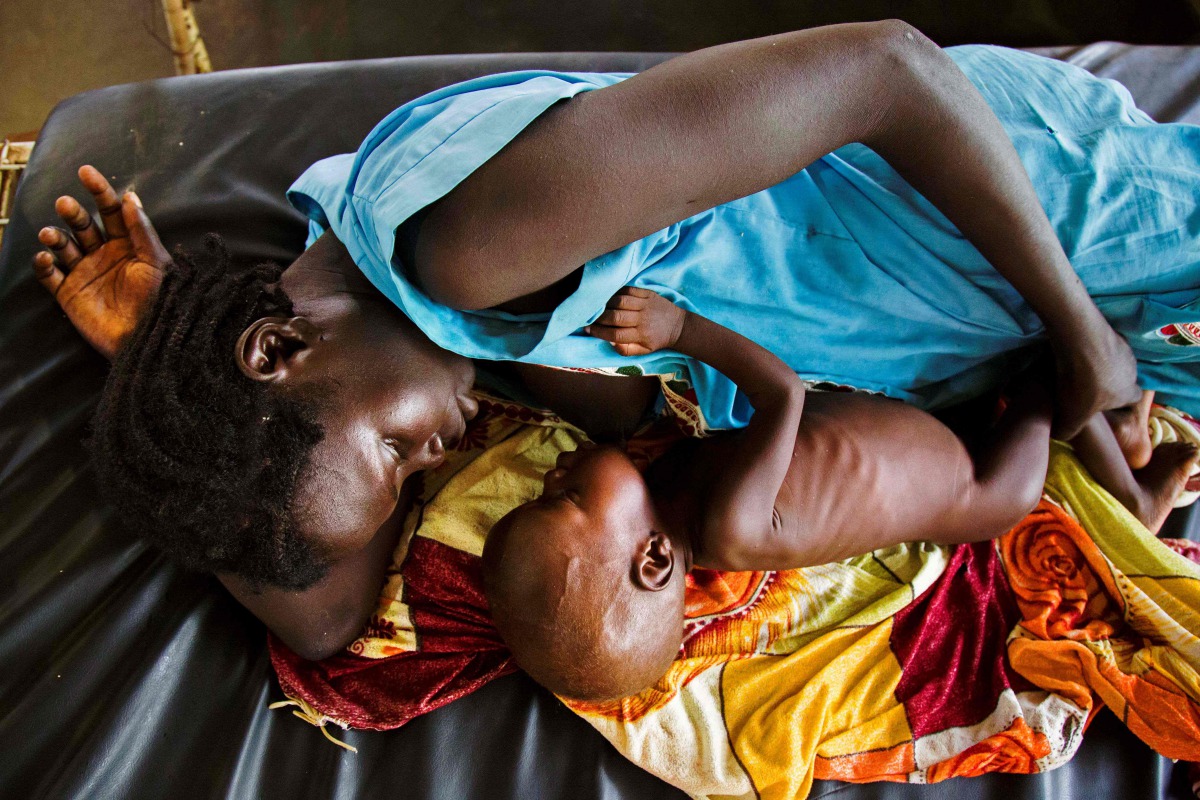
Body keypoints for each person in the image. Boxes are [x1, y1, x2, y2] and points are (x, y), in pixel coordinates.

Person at [31, 23, 1200, 660]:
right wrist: (142, 357)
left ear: (278, 350)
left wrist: (1077, 327)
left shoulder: (461, 247)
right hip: (983, 326)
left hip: (1020, 215)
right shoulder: (416, 316)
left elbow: (884, 71)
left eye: (395, 454)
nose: (440, 451)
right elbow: (329, 618)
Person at [482, 288, 1199, 701]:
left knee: (1038, 375)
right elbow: (779, 394)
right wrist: (683, 329)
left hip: (938, 430)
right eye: (561, 501)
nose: (552, 474)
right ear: (653, 562)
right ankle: (1134, 488)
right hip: (983, 489)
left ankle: (1128, 448)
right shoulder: (729, 524)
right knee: (1052, 376)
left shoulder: (666, 486)